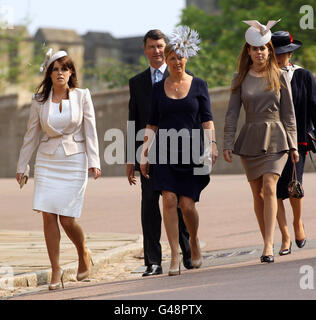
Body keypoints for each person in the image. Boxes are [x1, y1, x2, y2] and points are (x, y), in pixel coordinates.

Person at [16, 49, 101, 290]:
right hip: (47, 160)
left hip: (75, 160)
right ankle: (56, 269)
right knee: (48, 215)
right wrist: (23, 165)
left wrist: (95, 161)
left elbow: (90, 130)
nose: (60, 72)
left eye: (64, 68)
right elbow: (31, 135)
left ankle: (83, 252)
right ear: (49, 73)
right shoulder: (39, 101)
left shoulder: (83, 96)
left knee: (67, 218)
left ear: (71, 71)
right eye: (55, 69)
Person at [140, 26, 218, 276]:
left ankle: (193, 241)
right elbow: (152, 123)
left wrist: (212, 144)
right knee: (170, 200)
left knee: (187, 205)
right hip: (164, 151)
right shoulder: (157, 89)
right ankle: (174, 253)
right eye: (171, 57)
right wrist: (144, 152)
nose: (175, 61)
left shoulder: (199, 85)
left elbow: (207, 119)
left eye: (179, 57)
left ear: (186, 58)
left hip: (192, 151)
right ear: (167, 60)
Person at [223, 20, 299, 263]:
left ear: (269, 51)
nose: (259, 53)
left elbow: (289, 113)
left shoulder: (279, 76)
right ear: (248, 51)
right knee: (258, 195)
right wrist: (227, 142)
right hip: (251, 140)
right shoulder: (240, 78)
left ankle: (268, 245)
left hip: (277, 137)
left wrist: (294, 144)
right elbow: (232, 113)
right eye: (254, 49)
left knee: (270, 186)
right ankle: (267, 237)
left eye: (263, 48)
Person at [126, 30, 193, 276]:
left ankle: (186, 252)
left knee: (179, 204)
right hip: (148, 153)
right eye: (152, 46)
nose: (156, 51)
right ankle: (153, 261)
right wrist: (131, 158)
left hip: (178, 151)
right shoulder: (137, 82)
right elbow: (134, 120)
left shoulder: (184, 77)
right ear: (145, 49)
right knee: (149, 206)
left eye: (160, 46)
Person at [271, 31, 316, 255]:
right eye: (277, 53)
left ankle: (298, 222)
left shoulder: (304, 76)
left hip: (298, 140)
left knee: (294, 186)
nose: (281, 57)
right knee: (274, 191)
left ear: (291, 53)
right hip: (271, 142)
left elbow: (314, 107)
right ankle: (285, 234)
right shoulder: (264, 77)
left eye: (285, 53)